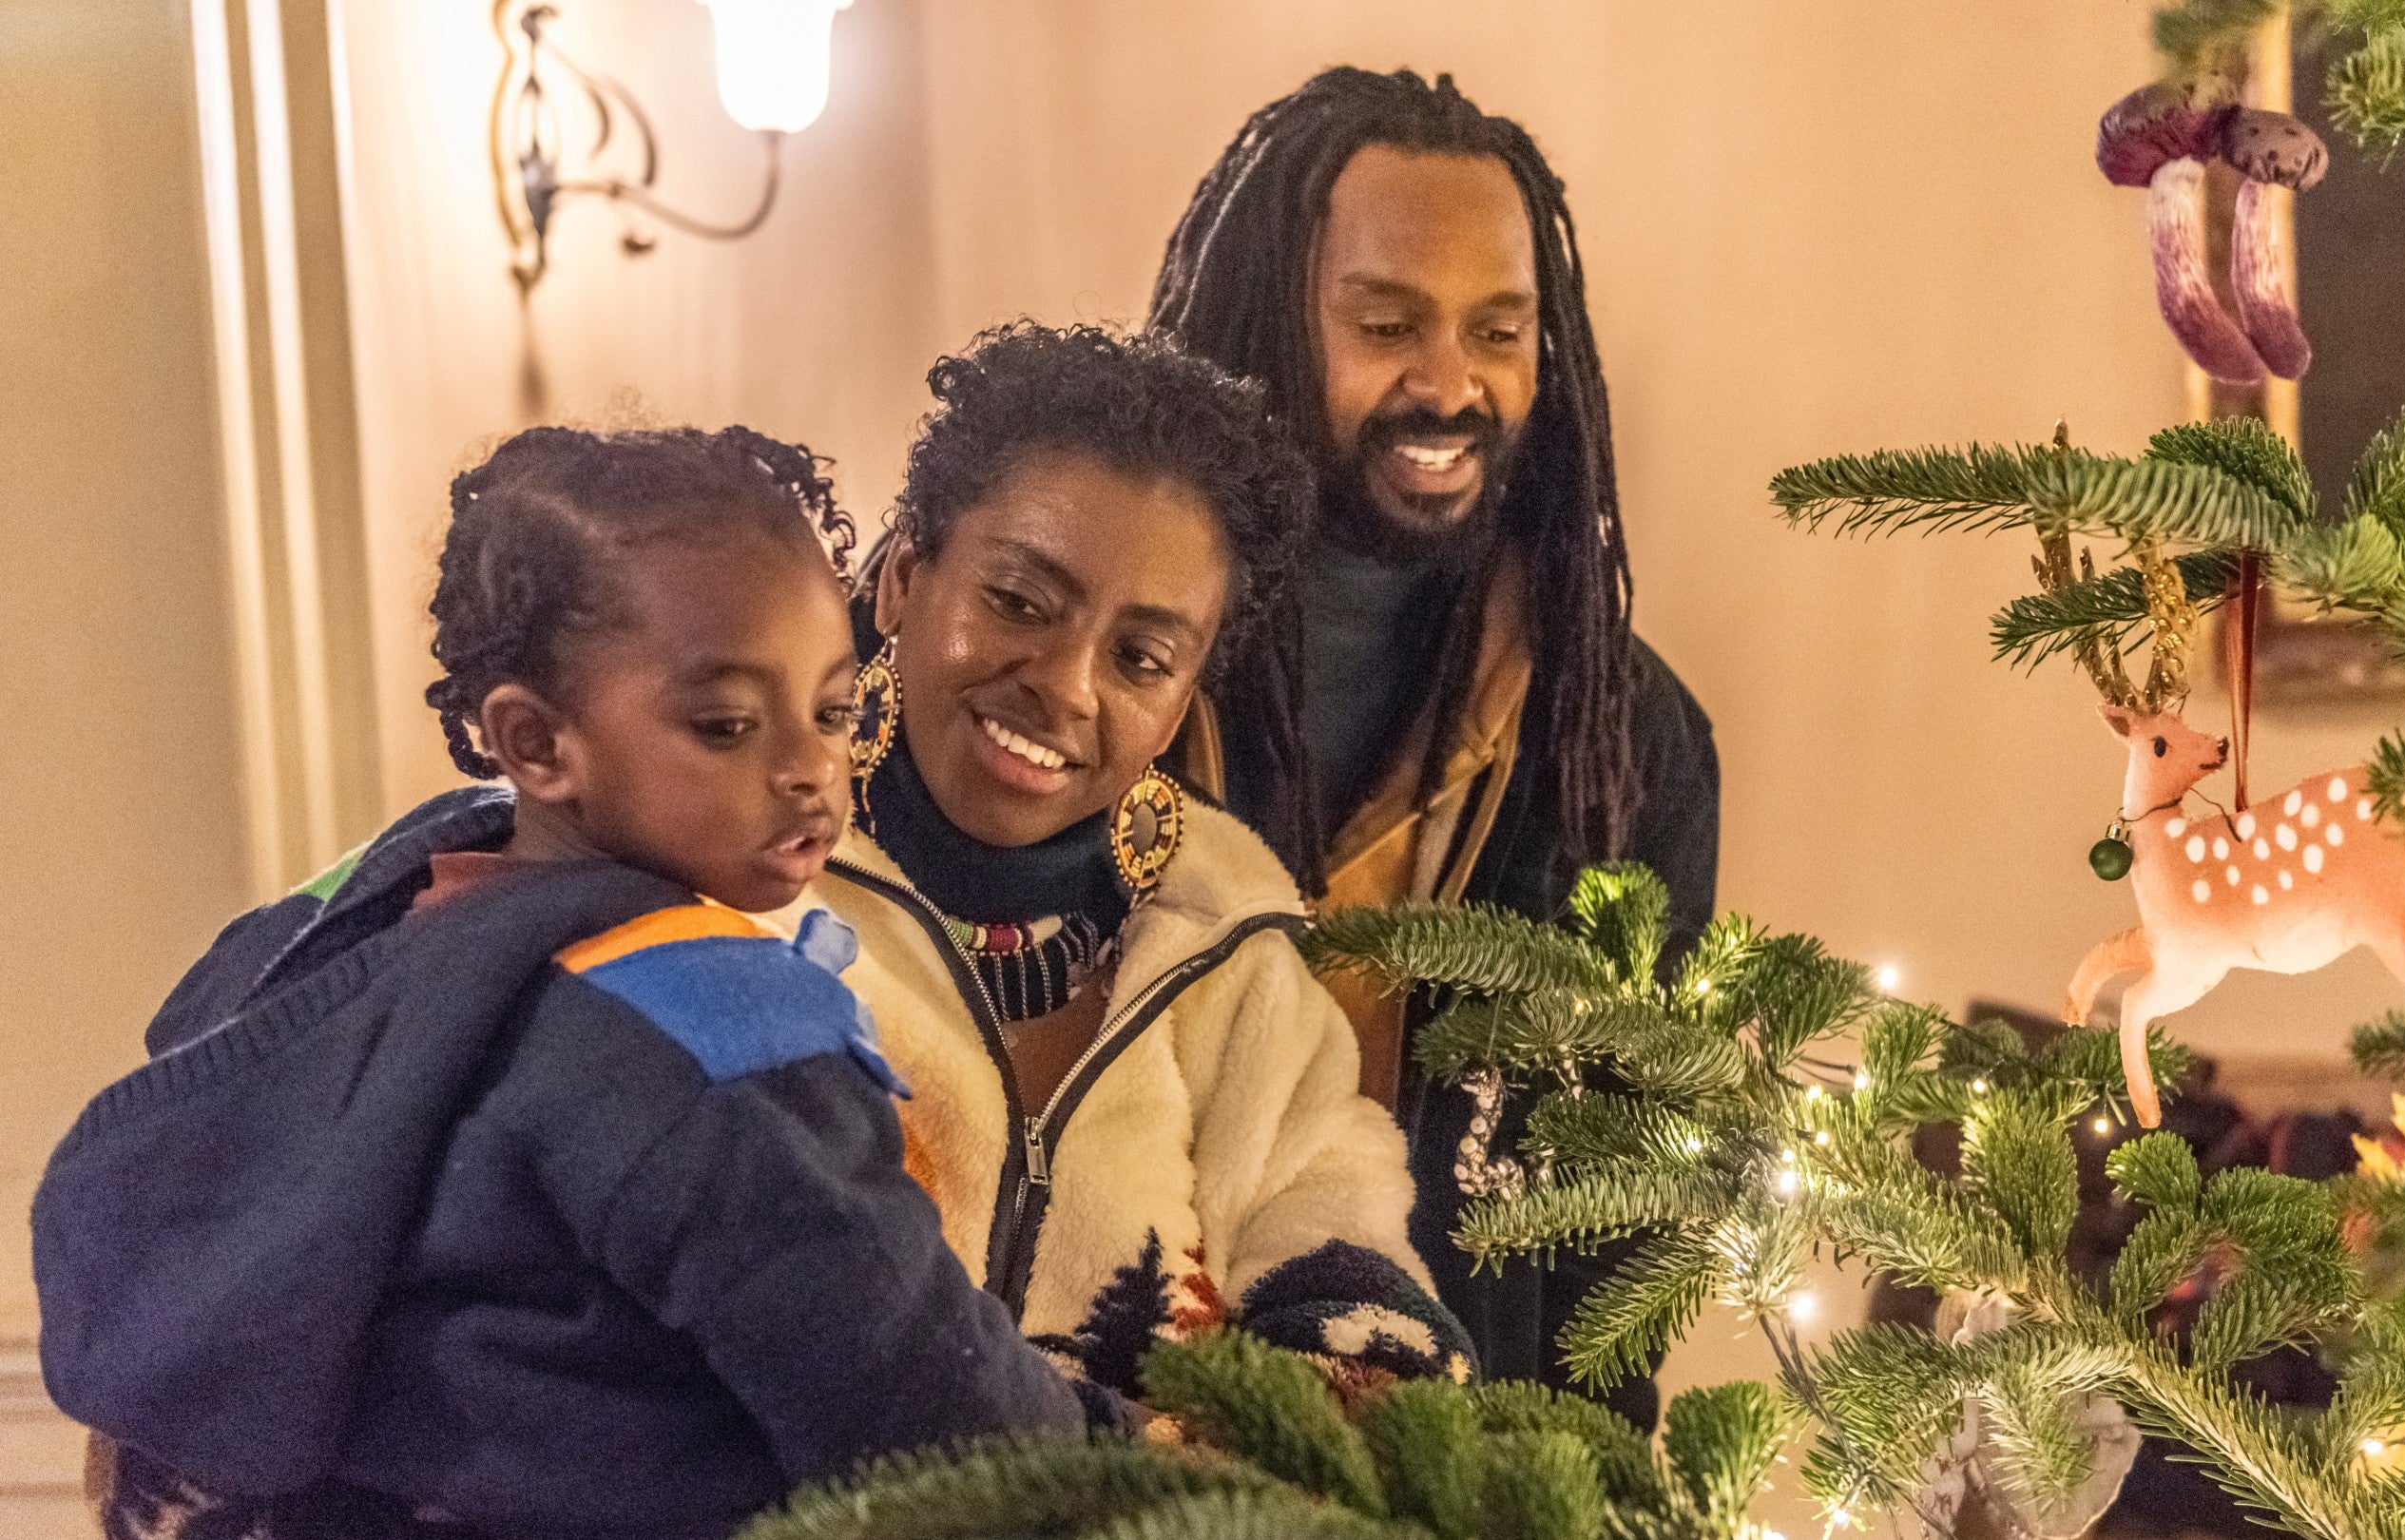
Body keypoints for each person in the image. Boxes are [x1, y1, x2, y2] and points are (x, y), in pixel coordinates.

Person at [35, 427, 1094, 1540]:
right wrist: (1148, 1462)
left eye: (834, 712)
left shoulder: (353, 910)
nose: (808, 768)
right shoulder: (713, 1025)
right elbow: (922, 1402)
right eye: (726, 725)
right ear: (537, 743)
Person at [1146, 67, 1722, 1424]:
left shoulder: (1621, 741)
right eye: (1387, 322)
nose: (1450, 383)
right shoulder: (1112, 668)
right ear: (1269, 327)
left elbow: (1620, 1261)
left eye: (1499, 330)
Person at [806, 321, 1472, 1393]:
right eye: (1019, 602)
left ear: (1182, 698)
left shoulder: (1226, 938)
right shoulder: (749, 865)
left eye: (1141, 657)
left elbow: (1329, 1215)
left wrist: (1358, 1406)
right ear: (906, 579)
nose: (1068, 685)